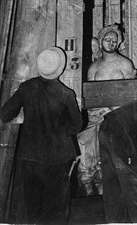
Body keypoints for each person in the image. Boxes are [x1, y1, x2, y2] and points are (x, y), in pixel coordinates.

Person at [0, 47, 82, 225]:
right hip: (58, 158)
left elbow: (5, 114)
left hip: (30, 155)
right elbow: (76, 126)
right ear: (60, 68)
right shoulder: (67, 94)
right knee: (56, 209)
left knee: (31, 207)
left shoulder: (26, 88)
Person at [77, 25, 137, 196]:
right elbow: (90, 95)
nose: (111, 43)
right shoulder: (93, 67)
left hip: (117, 114)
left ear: (118, 43)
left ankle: (114, 187)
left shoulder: (125, 64)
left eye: (114, 40)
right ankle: (90, 182)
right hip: (96, 115)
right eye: (107, 39)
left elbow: (132, 92)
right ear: (101, 41)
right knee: (86, 144)